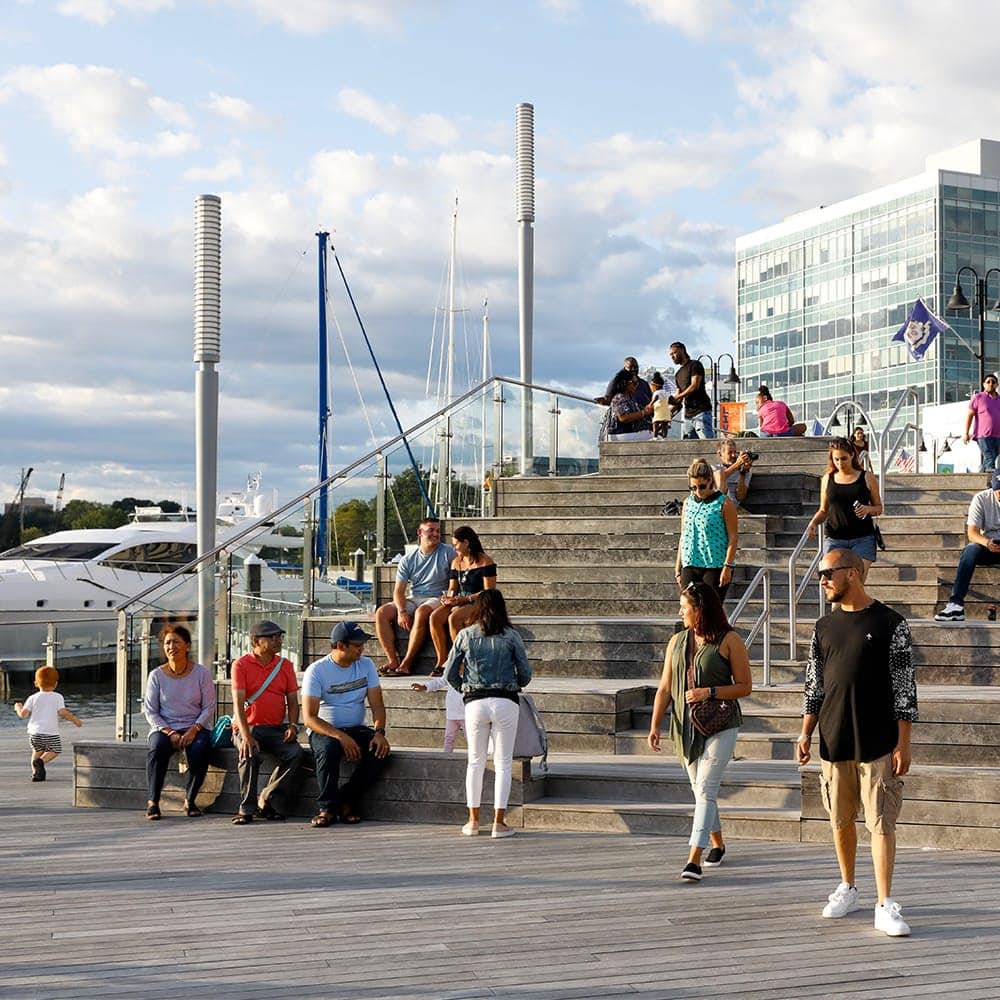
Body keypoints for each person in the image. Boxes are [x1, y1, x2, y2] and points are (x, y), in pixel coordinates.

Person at [795, 549, 918, 938]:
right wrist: (805, 732)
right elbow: (814, 686)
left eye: (828, 573)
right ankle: (848, 887)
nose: (822, 580)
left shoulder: (890, 623)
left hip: (878, 741)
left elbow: (904, 688)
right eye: (820, 574)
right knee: (840, 819)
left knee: (881, 822)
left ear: (852, 573)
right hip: (833, 741)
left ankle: (884, 904)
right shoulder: (823, 627)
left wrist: (903, 743)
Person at [648, 582, 752, 880]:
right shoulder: (677, 641)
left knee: (705, 788)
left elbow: (745, 686)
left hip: (721, 723)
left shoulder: (730, 640)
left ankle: (693, 859)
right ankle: (718, 843)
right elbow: (665, 687)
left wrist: (710, 691)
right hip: (685, 726)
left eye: (685, 608)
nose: (680, 612)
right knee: (701, 790)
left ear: (700, 610)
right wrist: (655, 724)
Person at [444, 589, 532, 839]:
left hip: (475, 702)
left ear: (477, 609)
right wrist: (514, 682)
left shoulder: (465, 634)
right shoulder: (512, 636)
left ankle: (473, 821)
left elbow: (449, 673)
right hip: (506, 701)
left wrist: (466, 688)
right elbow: (525, 674)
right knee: (503, 763)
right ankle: (499, 823)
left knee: (475, 762)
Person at [302, 621, 391, 827]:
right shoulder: (316, 671)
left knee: (381, 752)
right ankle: (327, 808)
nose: (362, 649)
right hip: (324, 729)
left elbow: (377, 704)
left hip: (356, 728)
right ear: (341, 645)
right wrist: (341, 737)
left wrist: (379, 732)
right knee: (329, 750)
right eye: (357, 645)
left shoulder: (366, 665)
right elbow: (309, 718)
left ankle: (346, 799)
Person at [229, 620, 304, 825]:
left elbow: (293, 702)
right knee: (249, 753)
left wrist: (293, 725)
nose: (278, 640)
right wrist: (246, 736)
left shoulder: (285, 665)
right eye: (272, 637)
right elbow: (238, 704)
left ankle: (267, 798)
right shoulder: (240, 665)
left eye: (279, 636)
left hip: (275, 728)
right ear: (256, 641)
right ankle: (246, 808)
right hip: (247, 726)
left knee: (295, 753)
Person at [142, 624, 215, 820]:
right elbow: (150, 711)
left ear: (187, 646)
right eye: (167, 643)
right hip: (165, 727)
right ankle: (153, 802)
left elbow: (208, 707)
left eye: (176, 642)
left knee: (200, 749)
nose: (171, 646)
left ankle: (190, 800)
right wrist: (169, 732)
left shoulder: (202, 673)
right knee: (157, 748)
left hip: (195, 725)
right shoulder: (156, 675)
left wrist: (194, 729)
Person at [374, 516, 456, 676]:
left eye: (438, 531)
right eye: (430, 530)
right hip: (415, 596)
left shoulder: (448, 553)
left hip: (438, 596)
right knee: (381, 612)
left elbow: (456, 578)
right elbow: (398, 591)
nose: (435, 534)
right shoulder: (408, 559)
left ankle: (407, 663)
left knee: (421, 612)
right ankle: (392, 660)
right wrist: (401, 611)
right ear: (420, 532)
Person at [806, 438, 883, 583]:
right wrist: (813, 523)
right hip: (835, 538)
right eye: (836, 459)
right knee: (832, 583)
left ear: (852, 455)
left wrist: (867, 509)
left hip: (863, 538)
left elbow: (879, 508)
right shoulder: (827, 478)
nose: (840, 463)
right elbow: (823, 510)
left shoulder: (867, 477)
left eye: (844, 458)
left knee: (855, 583)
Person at [427, 525, 497, 675]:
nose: (454, 548)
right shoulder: (456, 562)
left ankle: (461, 660)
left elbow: (489, 591)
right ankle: (442, 659)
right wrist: (448, 598)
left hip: (480, 600)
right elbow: (453, 587)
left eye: (456, 544)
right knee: (435, 617)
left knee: (454, 618)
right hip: (461, 600)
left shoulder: (485, 561)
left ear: (466, 542)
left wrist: (466, 599)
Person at [934, 470, 1000, 621]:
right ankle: (956, 605)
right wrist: (987, 543)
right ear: (992, 488)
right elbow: (972, 533)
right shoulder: (981, 499)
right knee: (970, 549)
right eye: (998, 491)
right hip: (988, 546)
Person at [675, 458, 739, 602]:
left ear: (710, 481)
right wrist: (678, 567)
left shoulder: (723, 503)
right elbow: (684, 535)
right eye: (693, 488)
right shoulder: (688, 503)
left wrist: (728, 566)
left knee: (710, 609)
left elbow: (733, 536)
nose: (698, 491)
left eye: (702, 486)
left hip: (714, 565)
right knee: (689, 607)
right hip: (690, 563)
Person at [14, 665, 82, 782]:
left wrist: (18, 707)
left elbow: (23, 714)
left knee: (37, 752)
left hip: (35, 733)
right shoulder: (58, 697)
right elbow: (62, 712)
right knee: (55, 750)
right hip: (50, 732)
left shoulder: (32, 698)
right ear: (55, 684)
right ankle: (41, 762)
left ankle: (36, 774)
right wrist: (75, 720)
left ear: (36, 683)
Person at [668, 342, 713, 439]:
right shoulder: (678, 374)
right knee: (688, 446)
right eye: (671, 354)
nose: (672, 357)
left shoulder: (695, 365)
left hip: (701, 412)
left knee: (707, 443)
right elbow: (679, 398)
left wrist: (677, 397)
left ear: (682, 350)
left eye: (674, 353)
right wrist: (668, 413)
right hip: (688, 416)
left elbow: (694, 386)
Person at [411, 674, 466, 751]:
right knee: (449, 737)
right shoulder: (451, 673)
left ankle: (475, 756)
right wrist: (424, 686)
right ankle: (446, 755)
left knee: (471, 738)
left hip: (467, 715)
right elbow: (439, 682)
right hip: (452, 714)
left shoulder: (471, 675)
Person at [963, 372, 1000, 471]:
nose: (991, 384)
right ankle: (991, 478)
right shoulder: (978, 397)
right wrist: (966, 433)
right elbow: (970, 415)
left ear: (997, 385)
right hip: (983, 435)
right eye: (988, 382)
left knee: (991, 457)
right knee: (990, 457)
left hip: (998, 435)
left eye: (993, 382)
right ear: (984, 384)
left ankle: (980, 476)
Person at [607, 368, 653, 441]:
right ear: (625, 383)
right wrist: (645, 412)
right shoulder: (619, 397)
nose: (636, 386)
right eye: (634, 383)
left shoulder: (629, 397)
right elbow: (623, 418)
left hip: (629, 434)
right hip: (622, 434)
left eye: (637, 383)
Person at [713, 438, 753, 508]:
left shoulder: (744, 470)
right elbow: (719, 477)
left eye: (735, 452)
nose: (733, 455)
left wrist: (743, 472)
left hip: (731, 508)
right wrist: (737, 465)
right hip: (717, 506)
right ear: (720, 454)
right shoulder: (713, 469)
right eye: (730, 452)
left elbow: (740, 497)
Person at [649, 372, 672, 439]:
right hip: (666, 411)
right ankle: (665, 437)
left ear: (655, 386)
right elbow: (670, 399)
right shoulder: (665, 392)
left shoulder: (657, 392)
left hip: (659, 411)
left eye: (651, 386)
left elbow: (656, 398)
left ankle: (655, 437)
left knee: (655, 424)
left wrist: (650, 404)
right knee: (665, 425)